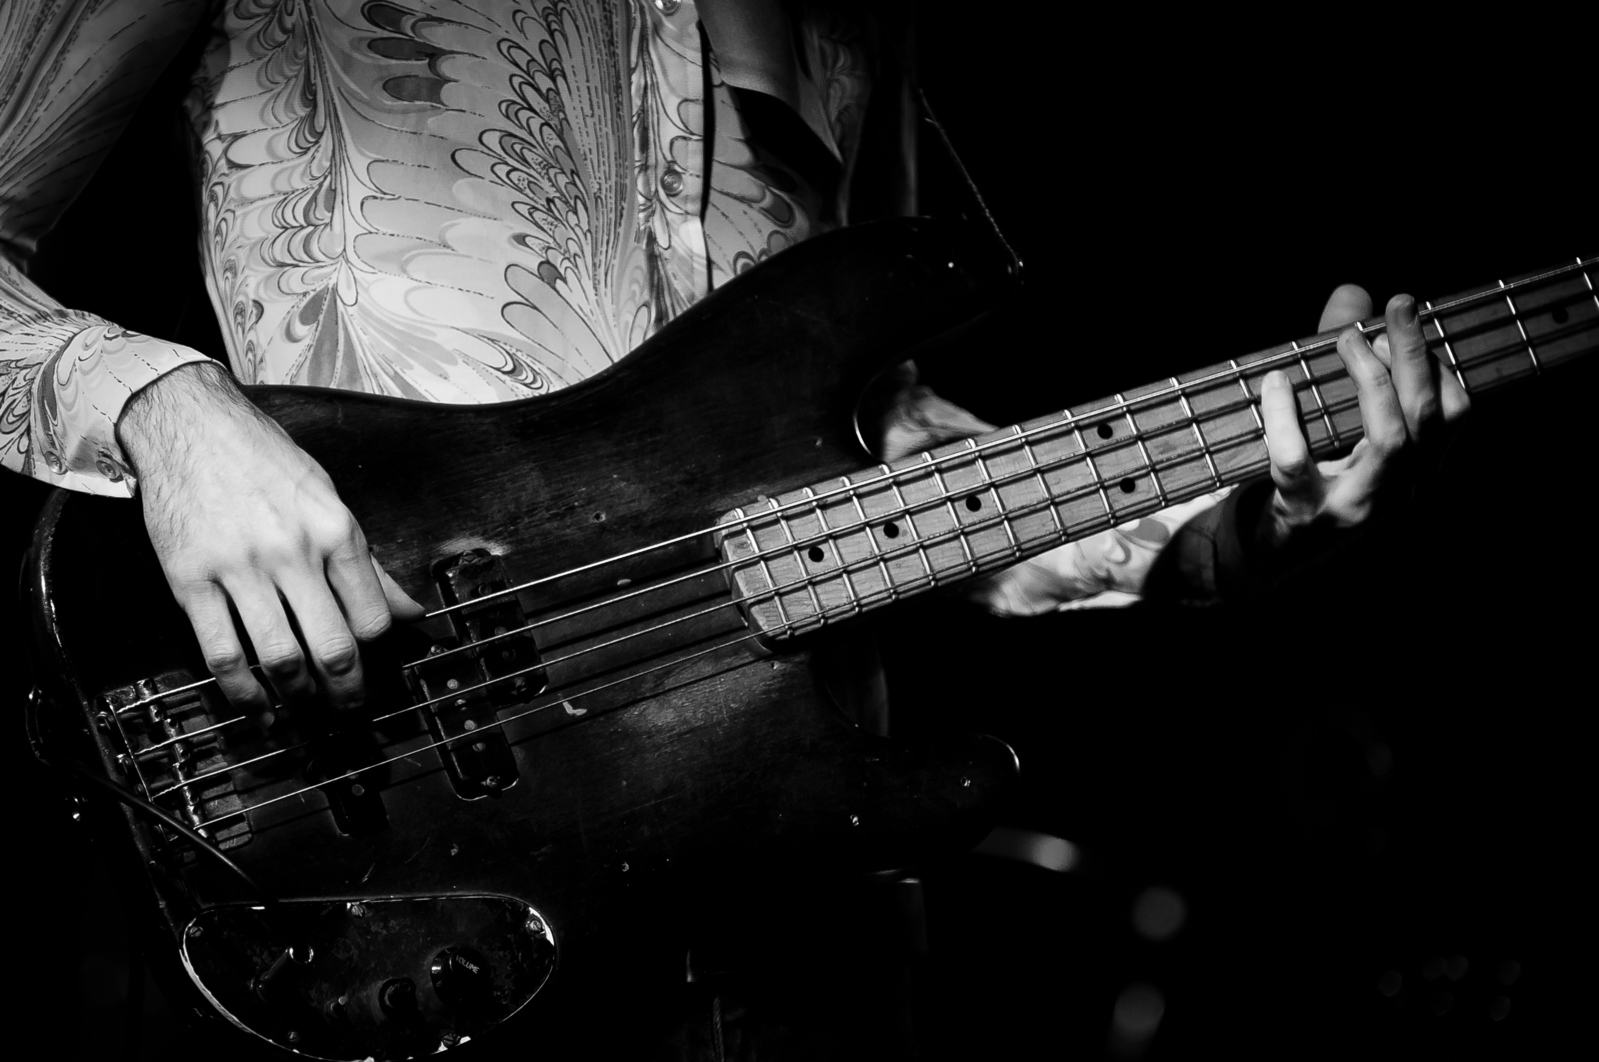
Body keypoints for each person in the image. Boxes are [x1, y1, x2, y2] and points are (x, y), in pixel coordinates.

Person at [1, 1, 1469, 1058]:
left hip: (793, 940)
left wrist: (1215, 534)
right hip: (383, 851)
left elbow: (879, 458)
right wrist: (162, 408)